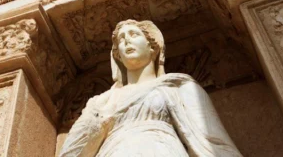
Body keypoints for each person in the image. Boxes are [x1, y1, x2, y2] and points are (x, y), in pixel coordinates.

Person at [59, 19, 244, 157]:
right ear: (118, 57)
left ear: (153, 47)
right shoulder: (101, 101)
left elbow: (213, 141)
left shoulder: (178, 86)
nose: (127, 42)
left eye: (134, 34)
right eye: (121, 39)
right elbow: (73, 151)